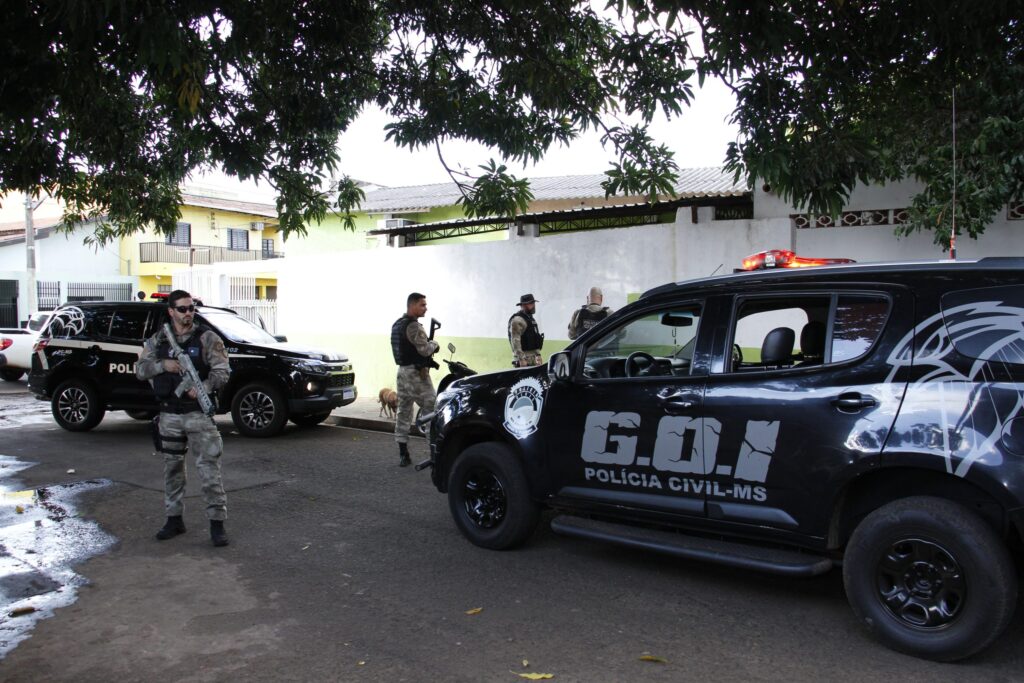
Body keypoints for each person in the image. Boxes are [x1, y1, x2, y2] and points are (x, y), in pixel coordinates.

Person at [136, 290, 232, 547]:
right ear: (171, 311)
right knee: (172, 470)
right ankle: (174, 519)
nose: (188, 313)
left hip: (198, 414)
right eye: (182, 309)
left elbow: (223, 371)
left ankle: (217, 524)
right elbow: (141, 370)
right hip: (169, 414)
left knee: (209, 471)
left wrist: (204, 387)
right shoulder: (159, 339)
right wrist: (163, 365)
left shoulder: (207, 338)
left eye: (191, 308)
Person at [391, 292, 439, 467]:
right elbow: (425, 350)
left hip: (402, 373)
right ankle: (435, 454)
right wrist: (435, 345)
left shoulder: (397, 324)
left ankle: (403, 454)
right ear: (412, 306)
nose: (425, 308)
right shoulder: (414, 326)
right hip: (416, 375)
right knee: (431, 409)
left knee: (403, 411)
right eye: (422, 305)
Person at [509, 293, 544, 367]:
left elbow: (535, 339)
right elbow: (515, 341)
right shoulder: (517, 320)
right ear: (523, 306)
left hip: (533, 358)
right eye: (530, 303)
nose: (533, 305)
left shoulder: (530, 319)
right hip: (524, 359)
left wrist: (538, 355)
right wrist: (521, 359)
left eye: (533, 303)